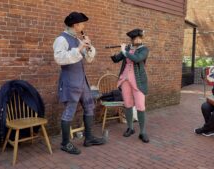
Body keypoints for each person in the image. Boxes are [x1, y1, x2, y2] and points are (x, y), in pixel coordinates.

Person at [53, 12, 105, 155]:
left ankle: (88, 138)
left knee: (89, 107)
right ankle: (65, 143)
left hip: (82, 81)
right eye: (82, 24)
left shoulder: (77, 39)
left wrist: (88, 47)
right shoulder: (61, 39)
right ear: (75, 25)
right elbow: (59, 58)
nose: (83, 27)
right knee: (69, 111)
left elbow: (88, 59)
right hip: (70, 82)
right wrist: (79, 48)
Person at [110, 28, 150, 143]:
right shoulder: (128, 48)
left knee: (140, 106)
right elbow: (117, 59)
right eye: (134, 38)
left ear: (141, 38)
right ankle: (130, 128)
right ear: (132, 39)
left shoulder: (144, 49)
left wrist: (124, 52)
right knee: (127, 105)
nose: (137, 40)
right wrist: (113, 54)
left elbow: (137, 59)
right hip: (125, 80)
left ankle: (142, 132)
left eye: (139, 38)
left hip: (138, 81)